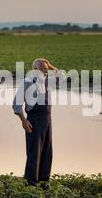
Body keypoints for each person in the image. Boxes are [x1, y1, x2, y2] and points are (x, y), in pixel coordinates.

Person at [12, 58, 66, 189]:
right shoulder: (27, 82)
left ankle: (44, 181)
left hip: (47, 119)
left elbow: (63, 76)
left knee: (47, 151)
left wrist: (50, 66)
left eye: (45, 70)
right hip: (33, 120)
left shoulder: (48, 82)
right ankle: (30, 184)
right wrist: (23, 121)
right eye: (41, 69)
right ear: (34, 69)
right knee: (34, 152)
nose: (44, 72)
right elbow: (16, 104)